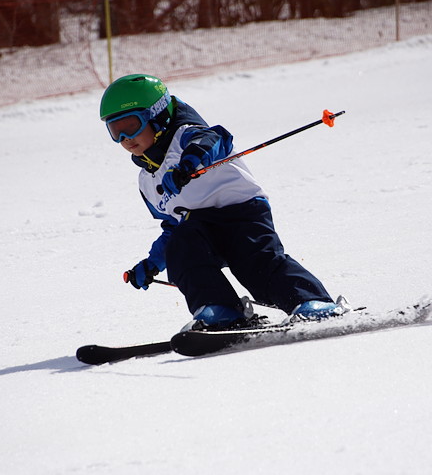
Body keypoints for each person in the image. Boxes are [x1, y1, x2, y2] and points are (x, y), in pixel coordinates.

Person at [100, 74, 346, 330]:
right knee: (181, 247)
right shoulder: (147, 181)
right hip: (199, 230)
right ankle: (220, 310)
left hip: (242, 214)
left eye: (131, 126)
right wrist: (153, 263)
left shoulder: (185, 135)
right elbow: (172, 227)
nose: (125, 139)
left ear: (157, 116)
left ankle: (312, 302)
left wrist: (189, 163)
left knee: (256, 265)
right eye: (115, 131)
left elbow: (214, 139)